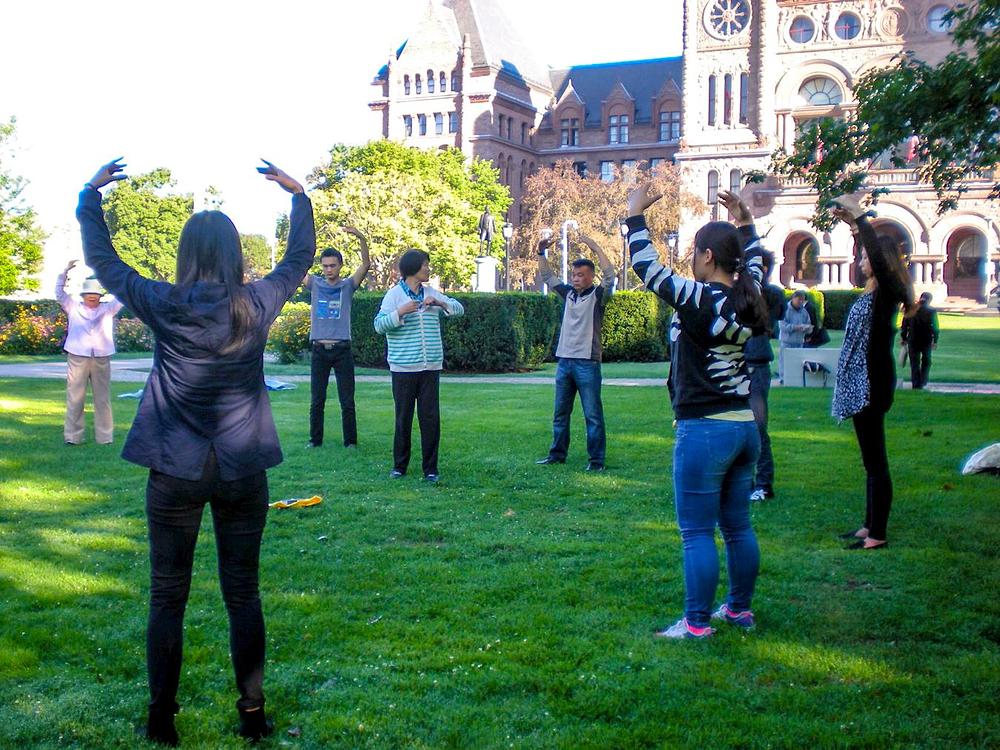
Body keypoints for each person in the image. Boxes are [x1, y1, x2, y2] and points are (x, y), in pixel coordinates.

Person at [77, 157, 315, 745]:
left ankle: (162, 718)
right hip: (241, 467)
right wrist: (299, 197)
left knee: (168, 594)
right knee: (243, 592)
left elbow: (105, 262)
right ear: (235, 254)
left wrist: (90, 196)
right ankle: (252, 714)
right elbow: (298, 259)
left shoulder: (164, 301)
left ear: (186, 254)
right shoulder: (256, 302)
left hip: (175, 466)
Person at [626, 185, 768, 639]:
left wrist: (634, 215)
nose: (690, 261)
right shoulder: (749, 293)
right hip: (744, 426)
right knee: (738, 527)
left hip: (705, 430)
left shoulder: (700, 298)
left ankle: (696, 624)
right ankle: (739, 610)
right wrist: (745, 223)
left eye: (694, 253)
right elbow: (757, 259)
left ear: (707, 257)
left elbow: (647, 268)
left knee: (697, 532)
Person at [830, 194, 915, 551]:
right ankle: (869, 525)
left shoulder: (888, 294)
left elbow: (879, 259)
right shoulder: (873, 294)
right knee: (870, 462)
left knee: (877, 462)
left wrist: (862, 219)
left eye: (866, 256)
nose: (861, 260)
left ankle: (878, 533)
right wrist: (853, 227)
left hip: (872, 385)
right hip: (860, 383)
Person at [374, 249, 464, 482]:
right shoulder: (394, 295)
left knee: (430, 419)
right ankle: (399, 466)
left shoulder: (431, 293)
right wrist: (400, 312)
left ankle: (431, 469)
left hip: (430, 368)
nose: (428, 268)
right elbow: (379, 325)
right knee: (403, 418)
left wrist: (440, 303)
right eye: (425, 265)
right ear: (413, 268)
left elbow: (459, 309)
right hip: (403, 369)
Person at [535, 233, 616, 471]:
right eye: (574, 275)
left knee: (592, 415)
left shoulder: (598, 296)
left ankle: (596, 461)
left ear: (591, 277)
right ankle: (557, 455)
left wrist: (595, 246)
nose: (576, 278)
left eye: (581, 275)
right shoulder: (568, 293)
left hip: (587, 363)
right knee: (560, 413)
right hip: (565, 362)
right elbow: (547, 276)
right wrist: (541, 252)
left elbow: (610, 276)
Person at [303, 229, 371, 448]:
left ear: (340, 265)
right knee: (317, 400)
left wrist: (361, 238)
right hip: (319, 350)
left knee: (347, 401)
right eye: (325, 266)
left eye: (332, 265)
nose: (329, 269)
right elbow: (297, 266)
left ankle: (350, 442)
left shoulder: (347, 285)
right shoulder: (315, 284)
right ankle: (315, 441)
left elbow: (365, 265)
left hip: (342, 349)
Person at [55, 262, 124, 445]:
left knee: (102, 399)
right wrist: (65, 271)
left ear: (100, 296)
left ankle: (105, 437)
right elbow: (59, 292)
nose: (92, 297)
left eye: (95, 294)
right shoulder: (73, 306)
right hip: (77, 357)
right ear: (83, 295)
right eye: (89, 294)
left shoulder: (108, 309)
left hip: (101, 357)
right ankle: (73, 437)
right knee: (75, 398)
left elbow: (122, 294)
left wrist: (115, 272)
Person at [746, 273, 783, 503]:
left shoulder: (765, 297)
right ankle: (746, 482)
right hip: (744, 364)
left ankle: (763, 484)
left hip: (755, 366)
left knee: (758, 427)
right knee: (743, 427)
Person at [900, 292, 939, 389]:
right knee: (926, 361)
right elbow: (935, 327)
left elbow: (904, 326)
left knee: (914, 362)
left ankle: (916, 383)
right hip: (926, 339)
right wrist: (935, 341)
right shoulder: (931, 311)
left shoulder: (911, 309)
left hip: (912, 339)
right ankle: (923, 380)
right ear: (929, 300)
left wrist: (903, 338)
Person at [777, 290, 812, 383]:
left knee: (797, 362)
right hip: (787, 342)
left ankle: (796, 379)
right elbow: (783, 326)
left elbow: (808, 323)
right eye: (799, 299)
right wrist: (796, 327)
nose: (801, 302)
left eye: (802, 300)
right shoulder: (785, 310)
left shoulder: (804, 312)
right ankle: (783, 379)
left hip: (799, 341)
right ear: (793, 298)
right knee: (784, 361)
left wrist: (808, 329)